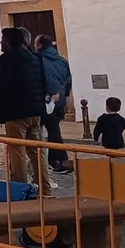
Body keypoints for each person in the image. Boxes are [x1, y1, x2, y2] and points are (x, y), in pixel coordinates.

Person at [0, 27, 48, 189]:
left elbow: (2, 89)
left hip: (15, 113)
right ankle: (45, 187)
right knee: (36, 151)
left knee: (16, 151)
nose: (1, 43)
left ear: (10, 42)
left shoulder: (6, 60)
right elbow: (43, 84)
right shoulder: (35, 58)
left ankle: (20, 188)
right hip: (34, 111)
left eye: (3, 40)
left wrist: (1, 115)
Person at [35, 35, 73, 174]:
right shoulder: (62, 60)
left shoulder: (38, 60)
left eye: (35, 43)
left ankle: (55, 162)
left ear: (39, 45)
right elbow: (68, 80)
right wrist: (64, 96)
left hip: (46, 101)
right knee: (54, 131)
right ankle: (59, 160)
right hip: (59, 100)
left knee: (46, 133)